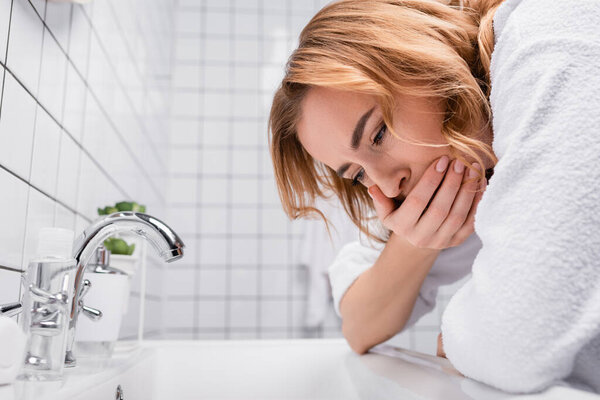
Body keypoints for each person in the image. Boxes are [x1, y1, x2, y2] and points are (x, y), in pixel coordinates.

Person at [268, 0, 600, 394]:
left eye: (378, 134)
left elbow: (516, 341)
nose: (389, 187)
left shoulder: (549, 29)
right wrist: (418, 241)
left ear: (423, 59)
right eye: (358, 174)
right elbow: (360, 328)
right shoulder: (477, 171)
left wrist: (461, 338)